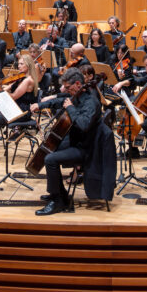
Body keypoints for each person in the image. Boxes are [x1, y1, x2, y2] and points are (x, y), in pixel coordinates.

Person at [35, 67, 100, 216]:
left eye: (68, 88)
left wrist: (70, 108)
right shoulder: (77, 94)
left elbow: (83, 125)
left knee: (50, 159)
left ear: (78, 84)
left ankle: (58, 202)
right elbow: (61, 100)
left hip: (85, 147)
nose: (67, 91)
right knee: (49, 149)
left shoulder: (91, 101)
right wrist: (40, 105)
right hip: (75, 141)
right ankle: (60, 194)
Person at [0, 53, 39, 162]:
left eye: (21, 64)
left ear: (28, 65)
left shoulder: (28, 80)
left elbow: (14, 96)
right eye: (18, 64)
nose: (18, 66)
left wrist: (0, 88)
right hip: (13, 108)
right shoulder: (20, 78)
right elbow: (6, 91)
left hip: (21, 112)